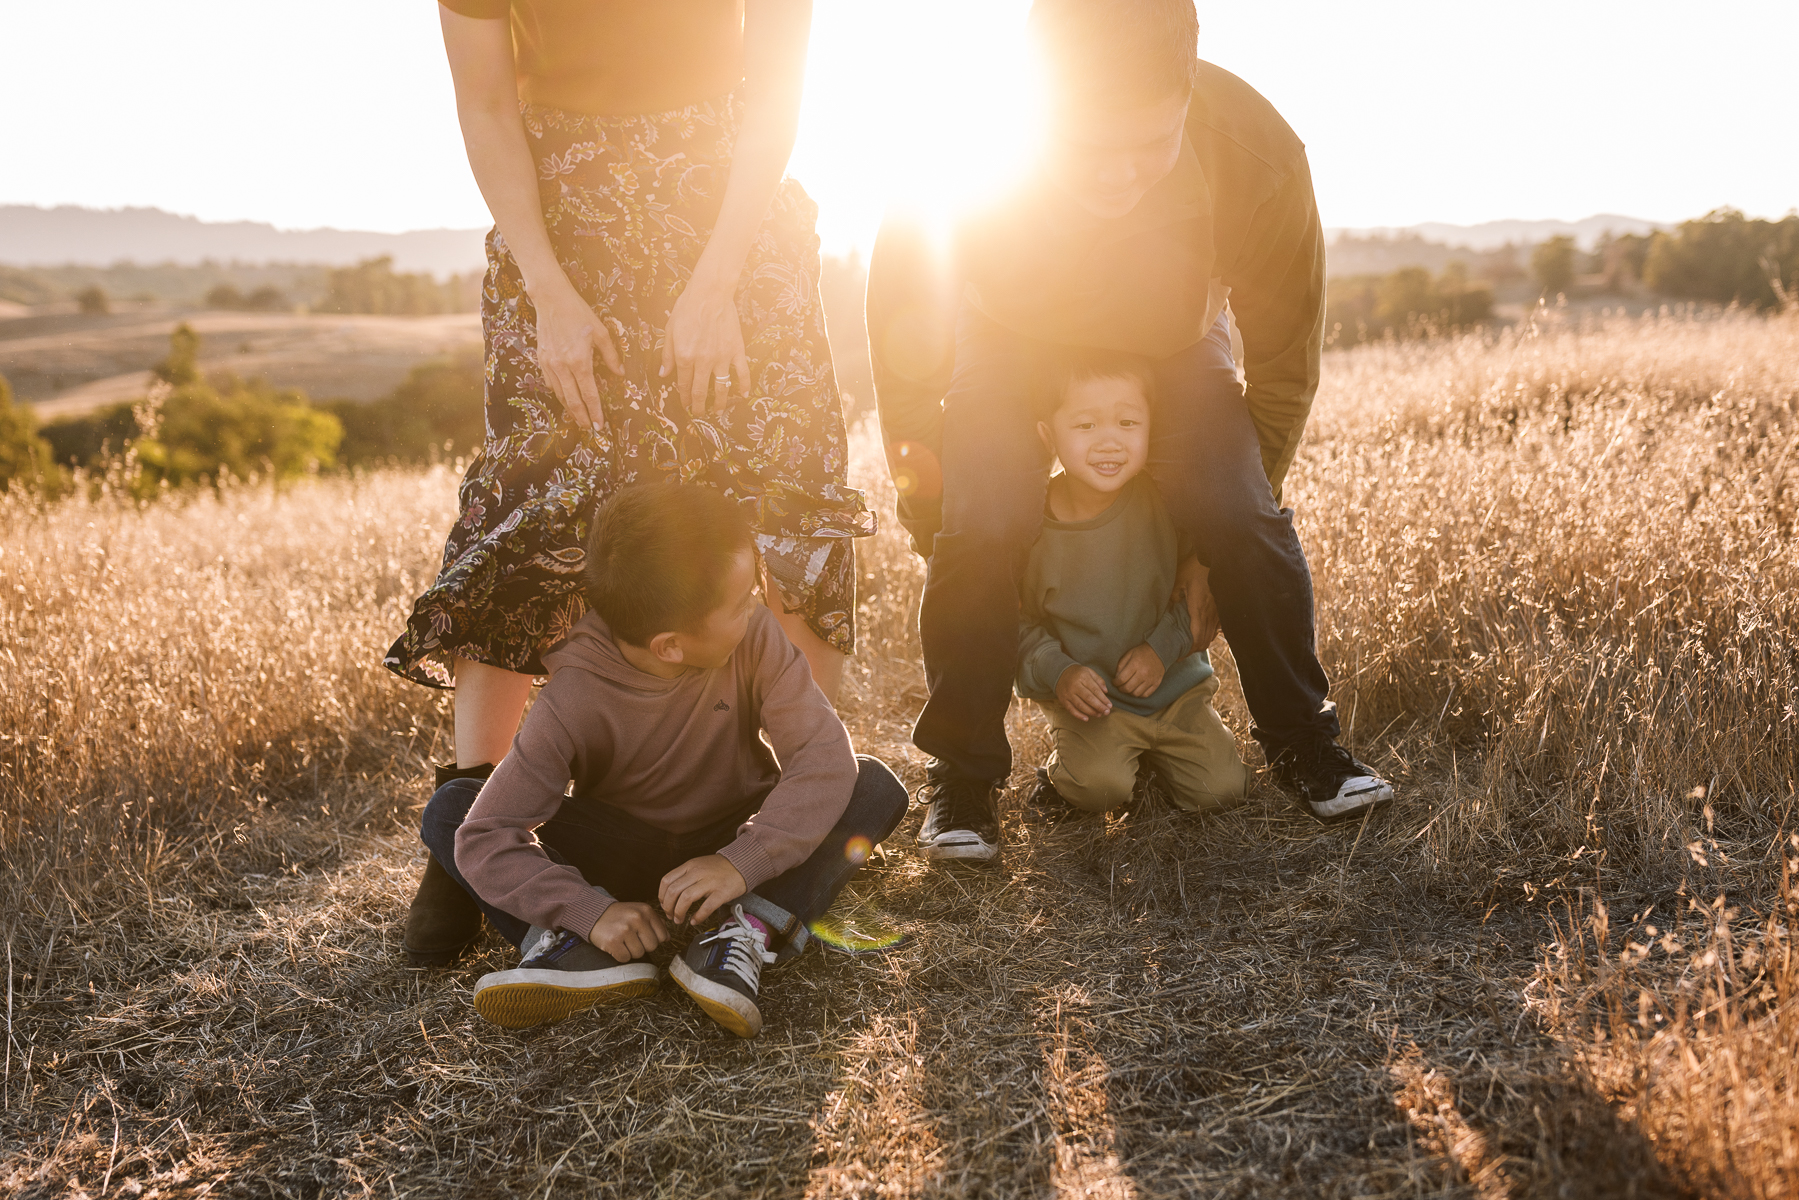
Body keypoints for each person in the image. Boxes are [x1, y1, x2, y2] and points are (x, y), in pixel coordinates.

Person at [391, 0, 875, 965]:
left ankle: (776, 828)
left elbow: (778, 85)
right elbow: (487, 106)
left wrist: (716, 281)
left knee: (782, 497)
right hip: (561, 228)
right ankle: (470, 840)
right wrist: (549, 292)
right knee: (536, 508)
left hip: (732, 207)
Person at [865, 0, 1392, 861]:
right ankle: (961, 777)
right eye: (1085, 150)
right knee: (981, 517)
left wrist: (1234, 515)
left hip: (1175, 337)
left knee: (1236, 505)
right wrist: (928, 500)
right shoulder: (962, 155)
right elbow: (905, 339)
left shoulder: (1255, 152)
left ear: (1187, 89)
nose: (1116, 179)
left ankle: (1305, 743)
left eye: (1148, 146)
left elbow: (1285, 356)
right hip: (1010, 333)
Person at [419, 484, 908, 1038]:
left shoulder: (756, 638)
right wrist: (587, 908)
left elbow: (820, 757)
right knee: (452, 809)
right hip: (621, 853)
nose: (756, 608)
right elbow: (487, 835)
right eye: (742, 602)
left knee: (872, 785)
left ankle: (741, 929)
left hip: (734, 830)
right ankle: (577, 944)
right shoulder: (573, 694)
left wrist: (741, 861)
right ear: (670, 645)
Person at [1009, 350, 1247, 831]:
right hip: (1097, 707)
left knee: (1223, 791)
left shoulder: (1166, 501)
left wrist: (1162, 650)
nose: (1110, 442)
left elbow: (1197, 590)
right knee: (1101, 788)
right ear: (1047, 435)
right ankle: (1062, 776)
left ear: (1151, 427)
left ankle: (1157, 756)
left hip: (1177, 695)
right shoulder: (1032, 530)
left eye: (1127, 422)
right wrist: (1061, 672)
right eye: (1086, 426)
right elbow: (1019, 623)